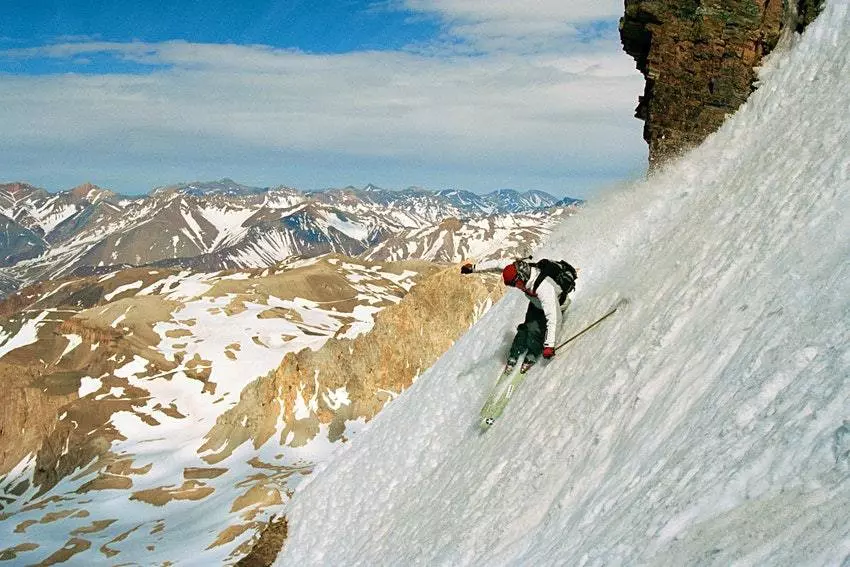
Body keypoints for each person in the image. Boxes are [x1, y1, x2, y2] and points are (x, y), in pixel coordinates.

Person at [461, 256, 577, 372]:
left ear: (519, 278)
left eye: (513, 284)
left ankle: (532, 354)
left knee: (535, 331)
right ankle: (515, 351)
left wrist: (550, 346)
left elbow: (554, 318)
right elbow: (498, 264)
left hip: (556, 305)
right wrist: (474, 268)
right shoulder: (517, 268)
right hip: (537, 303)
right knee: (526, 327)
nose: (514, 287)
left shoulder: (543, 288)